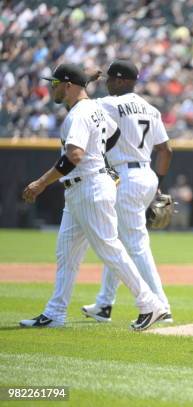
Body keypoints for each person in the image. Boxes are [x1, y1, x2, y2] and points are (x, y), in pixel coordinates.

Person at [19, 63, 167, 330]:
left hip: (89, 186)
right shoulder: (94, 109)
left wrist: (41, 183)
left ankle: (150, 304)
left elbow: (74, 155)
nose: (51, 87)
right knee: (67, 253)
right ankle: (55, 313)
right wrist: (98, 158)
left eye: (54, 83)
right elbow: (114, 135)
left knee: (110, 248)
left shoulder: (79, 114)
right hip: (82, 188)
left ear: (67, 85)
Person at [80, 60, 174, 323]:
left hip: (126, 176)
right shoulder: (151, 108)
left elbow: (79, 103)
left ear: (121, 80)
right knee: (117, 239)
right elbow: (166, 151)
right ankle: (104, 303)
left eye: (110, 78)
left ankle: (161, 306)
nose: (107, 82)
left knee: (136, 245)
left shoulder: (108, 104)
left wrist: (87, 80)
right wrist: (159, 184)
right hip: (147, 174)